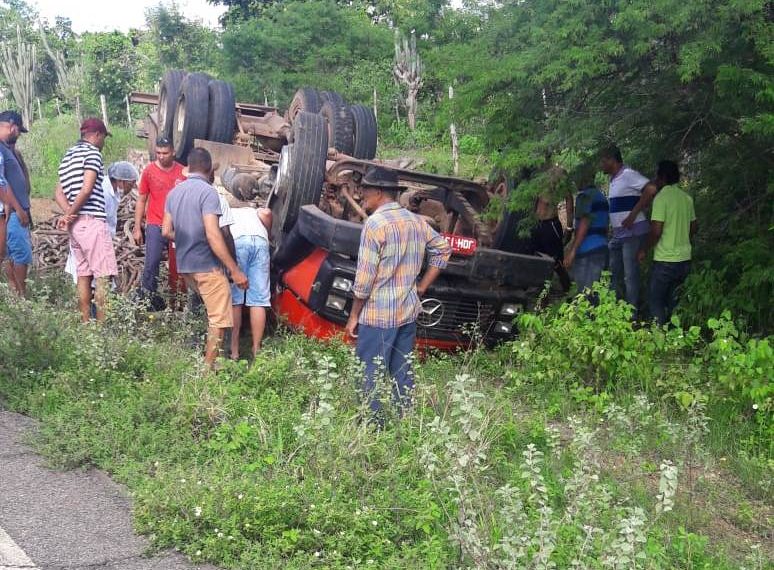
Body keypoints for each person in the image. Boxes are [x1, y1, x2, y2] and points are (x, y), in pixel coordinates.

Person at [345, 166, 451, 420]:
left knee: (369, 371)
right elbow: (443, 249)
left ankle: (372, 427)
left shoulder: (374, 225)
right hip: (407, 311)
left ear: (380, 192)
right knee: (401, 370)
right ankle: (405, 419)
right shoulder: (416, 221)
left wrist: (353, 315)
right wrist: (422, 286)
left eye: (365, 191)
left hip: (379, 315)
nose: (361, 196)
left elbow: (363, 281)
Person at [162, 148, 248, 368]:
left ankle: (204, 357)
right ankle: (208, 371)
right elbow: (213, 233)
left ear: (188, 168)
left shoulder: (174, 193)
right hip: (206, 265)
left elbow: (166, 231)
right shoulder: (209, 193)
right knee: (219, 319)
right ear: (209, 169)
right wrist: (235, 270)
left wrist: (188, 238)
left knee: (209, 314)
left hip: (185, 265)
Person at [55, 118, 115, 322]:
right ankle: (101, 328)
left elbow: (58, 193)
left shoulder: (67, 157)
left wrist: (68, 215)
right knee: (103, 276)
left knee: (83, 275)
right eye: (104, 137)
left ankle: (85, 324)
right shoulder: (92, 154)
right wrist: (72, 212)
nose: (104, 143)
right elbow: (87, 188)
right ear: (97, 135)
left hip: (76, 226)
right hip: (92, 221)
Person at [600, 146, 657, 316]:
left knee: (630, 275)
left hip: (632, 233)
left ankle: (631, 314)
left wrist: (634, 213)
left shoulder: (628, 174)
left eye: (603, 161)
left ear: (612, 160)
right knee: (613, 270)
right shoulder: (614, 178)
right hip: (619, 235)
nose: (601, 165)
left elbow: (651, 189)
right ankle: (616, 309)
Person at [638, 161, 697, 325]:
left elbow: (656, 231)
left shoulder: (661, 198)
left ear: (662, 177)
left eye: (657, 176)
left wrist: (644, 249)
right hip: (684, 260)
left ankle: (659, 336)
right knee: (675, 301)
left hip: (665, 260)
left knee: (655, 301)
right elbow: (694, 227)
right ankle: (675, 337)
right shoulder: (687, 198)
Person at [65, 161, 139, 283]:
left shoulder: (113, 191)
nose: (132, 188)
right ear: (121, 181)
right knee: (100, 278)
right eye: (131, 184)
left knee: (89, 277)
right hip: (93, 237)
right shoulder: (104, 192)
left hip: (95, 237)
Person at [133, 136, 186, 306]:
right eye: (158, 153)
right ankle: (148, 300)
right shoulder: (149, 171)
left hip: (177, 226)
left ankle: (177, 301)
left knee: (178, 265)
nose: (161, 156)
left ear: (173, 152)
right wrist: (137, 227)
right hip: (155, 223)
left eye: (165, 153)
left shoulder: (183, 172)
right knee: (152, 262)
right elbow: (141, 200)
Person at [228, 205, 273, 359]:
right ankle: (256, 349)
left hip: (238, 241)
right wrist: (269, 233)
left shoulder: (229, 210)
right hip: (260, 242)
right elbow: (267, 213)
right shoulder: (253, 211)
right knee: (258, 299)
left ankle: (234, 351)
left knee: (235, 299)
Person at [0, 110, 31, 297]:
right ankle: (20, 295)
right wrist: (19, 209)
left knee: (12, 254)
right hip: (12, 212)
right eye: (18, 130)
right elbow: (2, 183)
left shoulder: (8, 150)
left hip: (12, 211)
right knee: (20, 254)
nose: (18, 135)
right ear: (12, 127)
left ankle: (15, 294)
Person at [564, 171, 610, 293]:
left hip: (587, 252)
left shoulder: (584, 197)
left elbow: (584, 224)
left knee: (586, 295)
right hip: (602, 248)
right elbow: (605, 226)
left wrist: (572, 251)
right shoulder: (601, 197)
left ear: (583, 179)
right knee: (597, 292)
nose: (575, 183)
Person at [531, 171, 574, 292]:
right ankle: (543, 298)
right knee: (538, 260)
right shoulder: (535, 171)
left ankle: (569, 294)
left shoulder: (558, 173)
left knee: (557, 263)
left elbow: (569, 198)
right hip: (536, 224)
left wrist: (569, 227)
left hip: (550, 224)